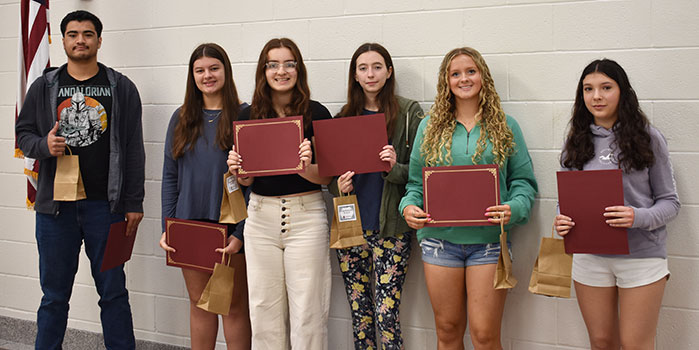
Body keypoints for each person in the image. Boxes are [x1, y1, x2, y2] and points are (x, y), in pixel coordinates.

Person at [15, 10, 144, 349]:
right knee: (54, 297)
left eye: (88, 34)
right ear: (62, 40)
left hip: (109, 208)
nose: (81, 40)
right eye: (73, 34)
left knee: (114, 292)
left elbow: (133, 149)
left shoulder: (121, 87)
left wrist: (133, 202)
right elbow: (24, 134)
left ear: (99, 40)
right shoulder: (44, 86)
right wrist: (44, 145)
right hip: (55, 212)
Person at [399, 47, 538, 349]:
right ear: (446, 81)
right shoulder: (429, 127)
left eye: (471, 71)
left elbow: (524, 183)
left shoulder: (506, 126)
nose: (464, 78)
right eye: (456, 73)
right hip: (439, 244)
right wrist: (408, 207)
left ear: (483, 76)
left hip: (489, 245)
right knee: (447, 331)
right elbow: (414, 185)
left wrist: (514, 208)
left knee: (485, 336)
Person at [554, 59, 680, 350]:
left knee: (635, 344)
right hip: (590, 258)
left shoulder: (649, 138)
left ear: (622, 91)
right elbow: (566, 202)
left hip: (642, 258)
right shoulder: (575, 141)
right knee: (600, 342)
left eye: (606, 88)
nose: (596, 96)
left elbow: (670, 203)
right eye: (588, 89)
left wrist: (636, 216)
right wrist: (561, 218)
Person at [226, 38, 332, 350]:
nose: (281, 71)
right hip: (260, 218)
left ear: (299, 69)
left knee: (308, 312)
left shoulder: (317, 113)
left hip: (307, 216)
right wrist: (238, 171)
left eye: (289, 64)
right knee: (263, 310)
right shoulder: (248, 116)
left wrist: (304, 166)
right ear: (263, 71)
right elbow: (246, 182)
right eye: (273, 64)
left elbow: (326, 177)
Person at [330, 42, 423, 350]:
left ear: (389, 72)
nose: (370, 74)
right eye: (363, 68)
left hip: (392, 229)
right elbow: (330, 180)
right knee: (360, 315)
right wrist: (338, 186)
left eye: (377, 67)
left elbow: (423, 172)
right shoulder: (342, 117)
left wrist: (394, 167)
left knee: (386, 314)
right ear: (355, 76)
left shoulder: (409, 113)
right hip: (352, 228)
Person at [159, 43, 251, 350]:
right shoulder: (181, 117)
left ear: (225, 70)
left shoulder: (244, 115)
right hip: (188, 228)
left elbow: (252, 183)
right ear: (192, 76)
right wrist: (168, 226)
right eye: (200, 70)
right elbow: (170, 178)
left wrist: (240, 234)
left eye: (214, 68)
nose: (207, 75)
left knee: (232, 306)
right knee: (200, 304)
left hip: (229, 229)